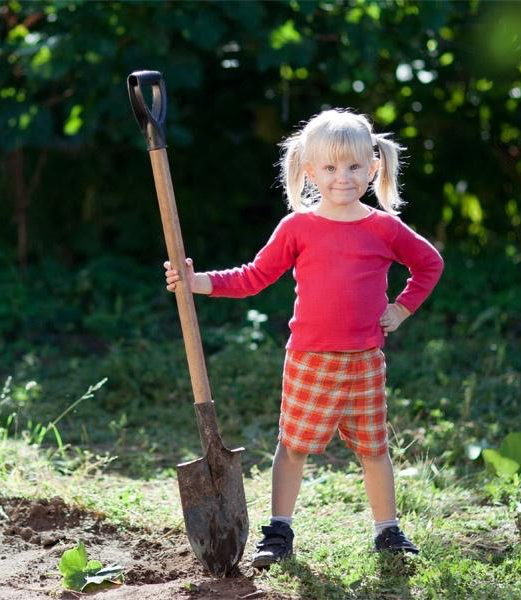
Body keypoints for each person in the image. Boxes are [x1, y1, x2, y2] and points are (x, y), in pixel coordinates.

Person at [163, 109, 443, 568]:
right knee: (293, 447)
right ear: (309, 171)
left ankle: (387, 530)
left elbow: (429, 263)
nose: (343, 178)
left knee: (374, 450)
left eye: (354, 166)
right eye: (330, 168)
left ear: (373, 166)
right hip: (310, 360)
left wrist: (402, 308)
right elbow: (253, 276)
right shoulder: (297, 227)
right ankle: (279, 531)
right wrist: (197, 283)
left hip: (365, 361)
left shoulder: (384, 228)